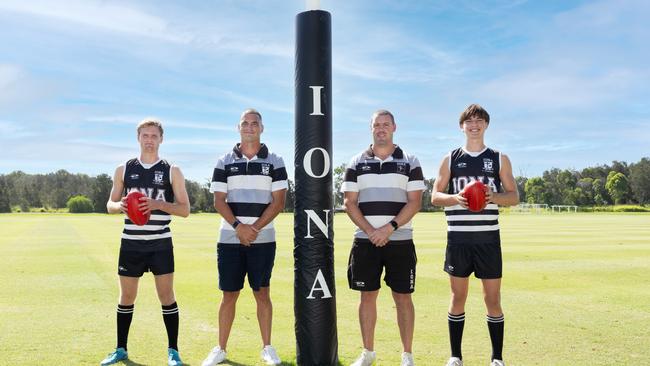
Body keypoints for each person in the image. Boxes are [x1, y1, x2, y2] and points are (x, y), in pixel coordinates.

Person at [431, 104, 519, 366]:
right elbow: (434, 196)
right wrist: (455, 198)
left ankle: (497, 358)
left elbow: (514, 196)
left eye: (479, 120)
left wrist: (495, 196)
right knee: (458, 297)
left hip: (488, 240)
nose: (474, 125)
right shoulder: (450, 158)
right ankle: (455, 356)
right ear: (462, 126)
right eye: (469, 121)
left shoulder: (499, 157)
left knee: (492, 299)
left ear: (486, 125)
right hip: (458, 239)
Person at [201, 109, 287, 366]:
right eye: (245, 123)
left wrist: (253, 229)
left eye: (254, 123)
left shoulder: (275, 161)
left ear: (262, 128)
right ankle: (221, 348)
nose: (249, 127)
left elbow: (278, 202)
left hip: (263, 238)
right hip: (229, 237)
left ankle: (267, 348)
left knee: (262, 293)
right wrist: (239, 227)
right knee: (229, 294)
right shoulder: (224, 161)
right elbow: (218, 201)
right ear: (238, 128)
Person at [102, 118, 190, 366]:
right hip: (131, 243)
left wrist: (158, 204)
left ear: (161, 139)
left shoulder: (172, 170)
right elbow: (109, 205)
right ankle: (120, 349)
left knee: (166, 296)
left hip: (160, 244)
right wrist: (120, 206)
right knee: (126, 297)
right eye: (145, 136)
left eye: (154, 136)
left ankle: (173, 351)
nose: (149, 140)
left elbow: (185, 210)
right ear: (138, 138)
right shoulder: (124, 169)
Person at [342, 109, 425, 366]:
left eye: (385, 124)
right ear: (371, 129)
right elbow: (349, 202)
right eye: (376, 125)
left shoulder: (410, 161)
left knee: (403, 297)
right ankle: (368, 352)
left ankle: (407, 355)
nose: (381, 129)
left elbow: (415, 202)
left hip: (399, 241)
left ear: (394, 127)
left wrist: (388, 228)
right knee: (367, 296)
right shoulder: (356, 162)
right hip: (366, 242)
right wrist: (371, 231)